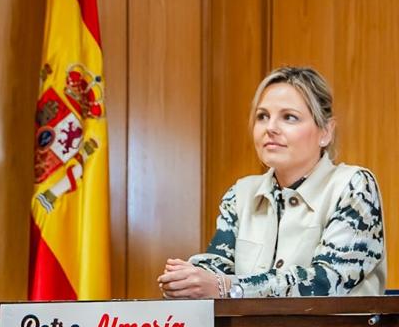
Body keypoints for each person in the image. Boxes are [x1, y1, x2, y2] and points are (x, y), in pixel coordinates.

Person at [158, 66, 386, 298]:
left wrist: (230, 287)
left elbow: (326, 282)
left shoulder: (354, 186)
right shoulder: (240, 193)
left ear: (326, 132)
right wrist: (188, 279)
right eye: (262, 116)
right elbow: (217, 266)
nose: (270, 128)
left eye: (289, 117)